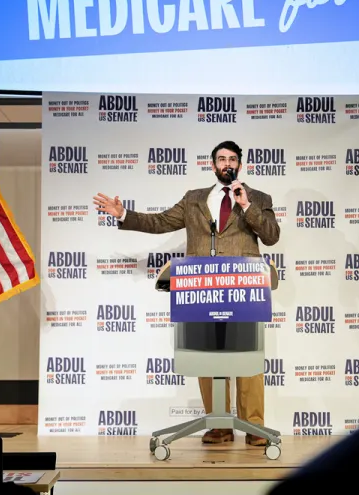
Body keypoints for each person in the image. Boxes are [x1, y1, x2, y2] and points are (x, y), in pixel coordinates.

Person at [93, 140, 281, 446]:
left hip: (243, 294)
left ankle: (254, 426)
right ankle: (218, 424)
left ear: (240, 165)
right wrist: (123, 213)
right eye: (221, 159)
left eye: (232, 159)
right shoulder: (194, 199)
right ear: (212, 165)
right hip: (201, 293)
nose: (226, 163)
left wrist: (246, 206)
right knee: (207, 359)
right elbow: (160, 221)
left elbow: (271, 236)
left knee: (247, 359)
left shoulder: (258, 198)